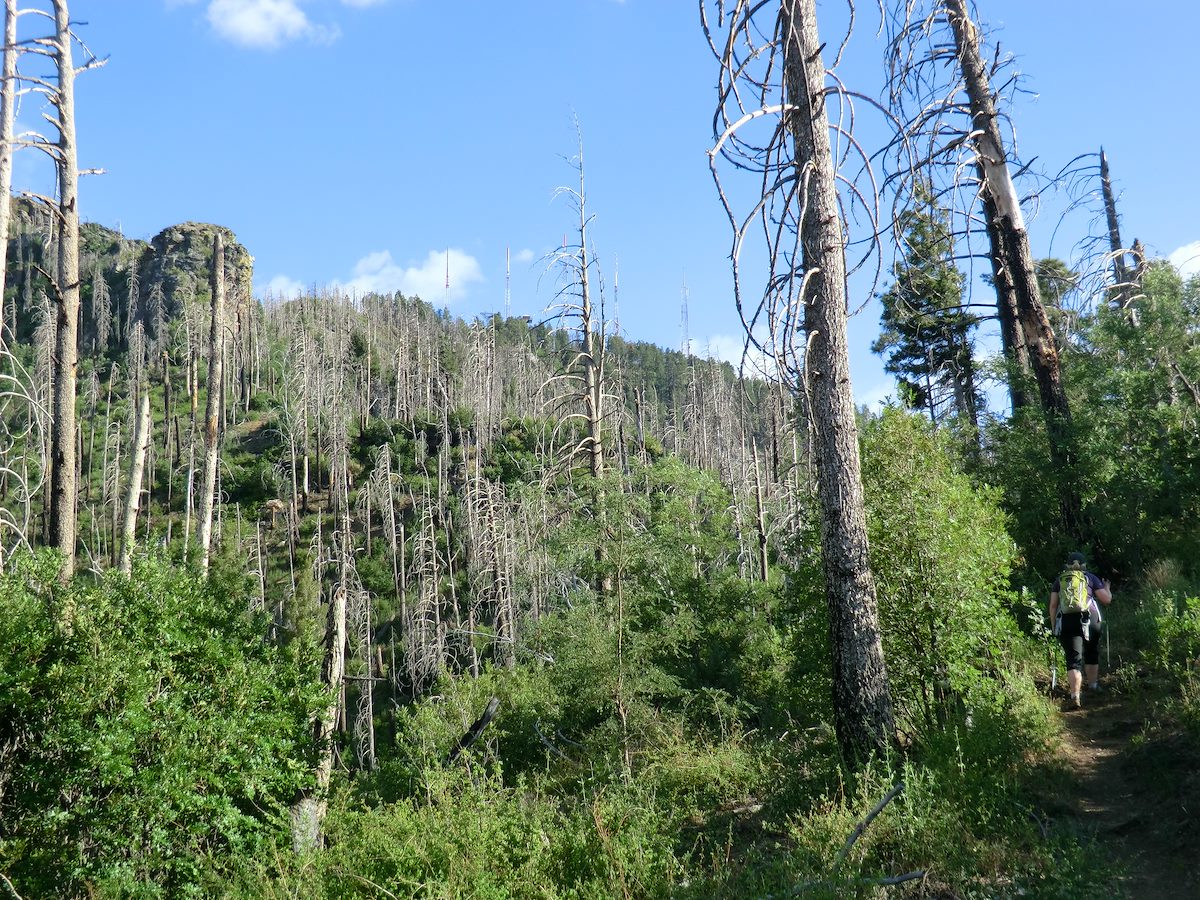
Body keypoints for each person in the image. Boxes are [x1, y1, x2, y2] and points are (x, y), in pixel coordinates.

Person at [1048, 551, 1112, 709]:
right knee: (1091, 651)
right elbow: (1106, 599)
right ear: (1084, 565)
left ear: (1068, 566)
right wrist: (1107, 588)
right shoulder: (1090, 578)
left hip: (1068, 622)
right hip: (1090, 619)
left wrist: (1054, 625)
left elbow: (1053, 605)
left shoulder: (1060, 580)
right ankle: (1093, 686)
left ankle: (1075, 696)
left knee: (1073, 658)